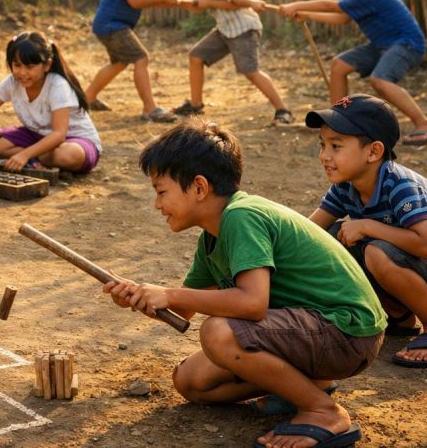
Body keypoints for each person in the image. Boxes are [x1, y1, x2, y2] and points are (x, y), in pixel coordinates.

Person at [103, 120, 385, 448]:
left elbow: (252, 304)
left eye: (161, 191)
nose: (157, 204)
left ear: (198, 187)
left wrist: (167, 293)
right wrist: (139, 297)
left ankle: (323, 411)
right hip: (316, 333)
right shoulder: (212, 237)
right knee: (191, 382)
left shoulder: (242, 217)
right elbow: (182, 312)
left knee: (218, 333)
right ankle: (307, 385)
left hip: (348, 332)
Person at [305, 94, 427, 369]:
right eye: (322, 145)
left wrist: (368, 226)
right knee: (333, 239)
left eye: (336, 146)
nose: (325, 155)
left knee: (375, 250)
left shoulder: (401, 185)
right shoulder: (345, 186)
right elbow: (309, 233)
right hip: (420, 271)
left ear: (373, 152)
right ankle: (399, 316)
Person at [279, 0, 427, 145]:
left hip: (406, 43)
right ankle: (337, 121)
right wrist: (306, 14)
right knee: (339, 65)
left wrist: (296, 5)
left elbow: (331, 6)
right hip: (382, 45)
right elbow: (343, 16)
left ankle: (425, 124)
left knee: (380, 80)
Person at [173, 0, 292, 125]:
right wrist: (182, 3)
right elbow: (199, 6)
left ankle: (283, 110)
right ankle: (195, 105)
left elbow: (237, 0)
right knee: (196, 56)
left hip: (243, 28)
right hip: (224, 29)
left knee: (250, 71)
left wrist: (251, 2)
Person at [85, 0, 186, 122]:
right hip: (112, 26)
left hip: (111, 25)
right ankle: (150, 109)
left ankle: (87, 98)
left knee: (119, 63)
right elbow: (136, 1)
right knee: (141, 58)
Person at [0, 30, 101, 173]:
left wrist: (24, 154)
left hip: (73, 140)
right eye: (17, 65)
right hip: (37, 136)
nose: (22, 73)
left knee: (68, 156)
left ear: (47, 65)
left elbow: (59, 134)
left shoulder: (57, 85)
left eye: (30, 67)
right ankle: (38, 159)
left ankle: (32, 158)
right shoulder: (12, 82)